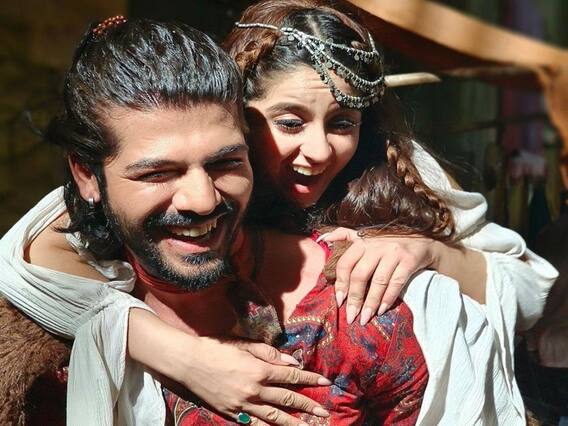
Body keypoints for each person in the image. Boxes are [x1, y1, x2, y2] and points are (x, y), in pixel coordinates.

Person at [0, 2, 557, 424]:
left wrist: (428, 251)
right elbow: (27, 260)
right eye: (289, 122)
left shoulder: (386, 172)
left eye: (342, 123)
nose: (318, 151)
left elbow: (530, 285)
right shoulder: (145, 172)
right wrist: (182, 355)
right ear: (242, 117)